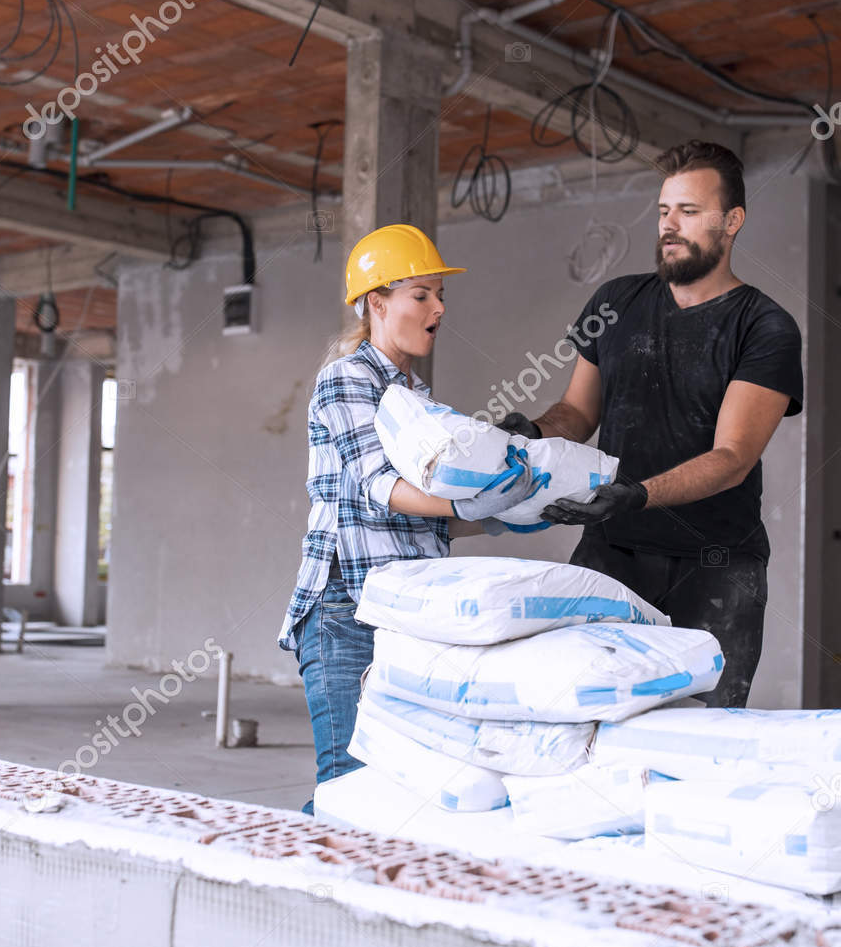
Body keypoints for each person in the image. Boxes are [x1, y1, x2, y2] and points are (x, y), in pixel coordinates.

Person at [502, 141, 803, 707]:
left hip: (716, 567)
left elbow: (732, 457)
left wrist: (634, 495)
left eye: (688, 212)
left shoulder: (764, 327)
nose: (669, 225)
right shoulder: (615, 301)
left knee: (699, 737)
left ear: (732, 221)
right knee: (580, 714)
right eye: (664, 211)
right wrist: (532, 432)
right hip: (611, 553)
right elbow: (577, 413)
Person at [279, 224, 540, 812]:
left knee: (401, 792)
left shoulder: (415, 395)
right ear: (377, 302)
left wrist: (516, 509)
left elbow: (426, 519)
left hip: (409, 611)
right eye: (422, 294)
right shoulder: (345, 380)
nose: (439, 308)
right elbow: (380, 488)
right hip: (345, 611)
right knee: (350, 789)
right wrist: (470, 501)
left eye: (439, 295)